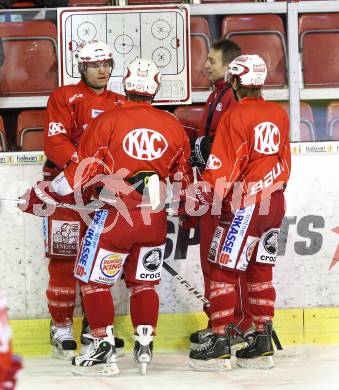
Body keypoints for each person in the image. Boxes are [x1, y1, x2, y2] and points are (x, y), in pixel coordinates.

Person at [22, 58, 192, 376]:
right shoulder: (173, 126)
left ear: (126, 86)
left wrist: (44, 193)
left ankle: (101, 348)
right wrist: (185, 213)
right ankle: (145, 345)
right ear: (156, 88)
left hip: (114, 217)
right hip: (153, 219)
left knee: (93, 283)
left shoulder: (109, 121)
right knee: (144, 286)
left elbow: (81, 171)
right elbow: (183, 182)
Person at [188, 54, 291, 370]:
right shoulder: (280, 113)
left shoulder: (235, 115)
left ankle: (219, 340)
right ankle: (261, 339)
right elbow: (284, 161)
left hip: (246, 204)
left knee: (222, 269)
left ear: (235, 81)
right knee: (261, 270)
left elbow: (222, 169)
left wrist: (199, 195)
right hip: (274, 203)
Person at [42, 40, 125, 360]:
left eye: (107, 64)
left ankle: (96, 326)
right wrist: (86, 170)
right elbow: (55, 141)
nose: (102, 70)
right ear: (81, 67)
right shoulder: (64, 96)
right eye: (94, 65)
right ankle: (60, 325)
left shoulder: (120, 102)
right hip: (66, 188)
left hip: (101, 191)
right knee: (63, 257)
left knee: (100, 258)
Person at [188, 39, 254, 348]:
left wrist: (207, 148)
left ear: (230, 67)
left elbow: (234, 146)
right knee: (211, 262)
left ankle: (236, 323)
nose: (205, 65)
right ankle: (219, 321)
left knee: (224, 263)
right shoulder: (217, 95)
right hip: (212, 192)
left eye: (212, 61)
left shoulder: (232, 100)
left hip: (224, 194)